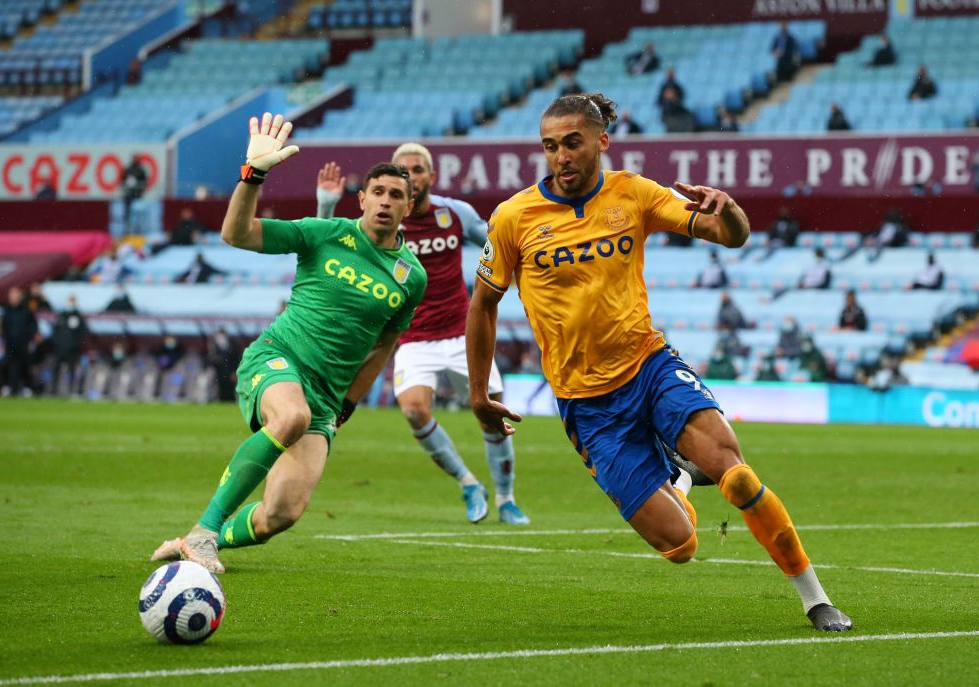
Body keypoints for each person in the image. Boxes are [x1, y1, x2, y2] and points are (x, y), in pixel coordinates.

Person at [466, 92, 851, 632]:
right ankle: (679, 479)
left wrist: (732, 213)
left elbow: (727, 236)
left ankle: (816, 599)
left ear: (602, 141)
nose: (562, 157)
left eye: (573, 143)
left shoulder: (635, 193)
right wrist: (479, 392)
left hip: (650, 368)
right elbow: (483, 305)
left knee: (738, 478)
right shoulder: (513, 218)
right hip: (587, 406)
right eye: (551, 147)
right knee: (681, 547)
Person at [151, 112, 427, 574]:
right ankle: (203, 534)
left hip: (326, 397)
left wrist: (348, 405)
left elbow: (383, 345)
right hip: (277, 359)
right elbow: (235, 233)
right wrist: (253, 174)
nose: (384, 201)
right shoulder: (325, 234)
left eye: (395, 195)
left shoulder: (411, 278)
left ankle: (194, 541)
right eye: (376, 192)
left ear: (408, 205)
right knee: (291, 417)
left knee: (280, 515)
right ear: (361, 199)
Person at [316, 146, 530, 525]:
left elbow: (495, 242)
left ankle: (507, 498)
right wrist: (326, 207)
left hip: (462, 333)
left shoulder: (453, 214)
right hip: (413, 337)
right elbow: (330, 245)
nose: (411, 175)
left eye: (418, 169)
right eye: (404, 170)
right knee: (414, 409)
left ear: (430, 176)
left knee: (492, 413)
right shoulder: (382, 220)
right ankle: (467, 483)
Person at [0, 286, 39, 397]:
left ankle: (26, 387)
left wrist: (32, 337)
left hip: (23, 342)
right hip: (9, 342)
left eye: (16, 294)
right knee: (8, 365)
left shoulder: (26, 310)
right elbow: (3, 326)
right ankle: (9, 387)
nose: (14, 297)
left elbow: (33, 325)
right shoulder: (6, 310)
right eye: (12, 294)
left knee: (24, 364)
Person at [51, 294, 88, 395]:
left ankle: (72, 390)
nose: (70, 303)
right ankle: (54, 390)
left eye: (72, 301)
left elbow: (83, 332)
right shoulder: (61, 315)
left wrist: (75, 344)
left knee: (72, 369)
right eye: (69, 300)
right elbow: (55, 331)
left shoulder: (78, 316)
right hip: (60, 348)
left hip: (72, 349)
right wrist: (57, 343)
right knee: (56, 369)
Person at [208, 328, 239, 402]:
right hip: (218, 374)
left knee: (230, 391)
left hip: (229, 373)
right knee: (219, 391)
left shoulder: (232, 345)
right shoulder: (213, 346)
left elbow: (235, 360)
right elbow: (212, 359)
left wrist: (235, 371)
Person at [121, 156, 148, 228]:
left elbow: (144, 182)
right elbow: (123, 180)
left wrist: (140, 191)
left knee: (137, 206)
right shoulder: (128, 170)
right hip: (129, 194)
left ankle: (138, 225)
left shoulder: (141, 170)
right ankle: (127, 221)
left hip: (138, 194)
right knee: (127, 202)